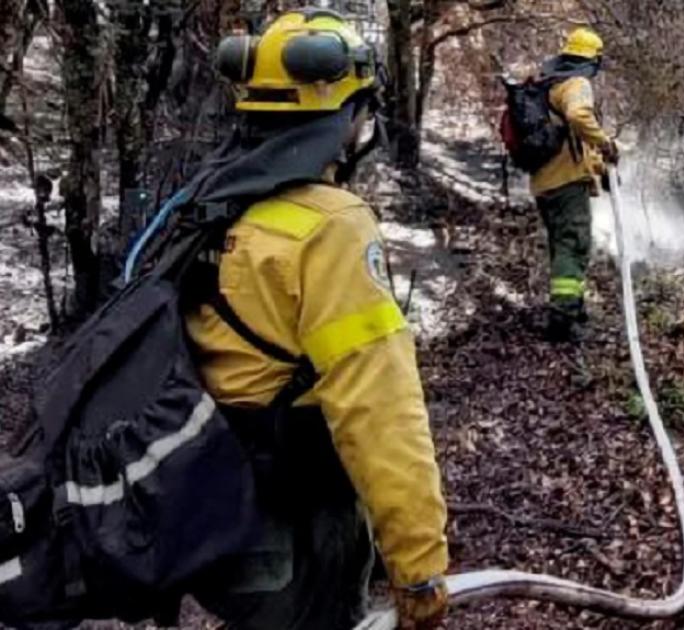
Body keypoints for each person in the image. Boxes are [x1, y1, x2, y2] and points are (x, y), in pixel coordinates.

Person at [184, 9, 448, 629]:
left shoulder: (210, 198)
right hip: (293, 534)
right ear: (350, 117)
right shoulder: (330, 226)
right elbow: (378, 409)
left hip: (214, 519)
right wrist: (419, 567)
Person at [530, 27, 619, 341]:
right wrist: (605, 142)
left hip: (545, 183)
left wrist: (599, 168)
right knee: (574, 245)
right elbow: (579, 117)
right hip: (566, 184)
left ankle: (571, 308)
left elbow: (572, 145)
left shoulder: (549, 83)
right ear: (592, 60)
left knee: (562, 245)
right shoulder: (576, 83)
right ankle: (563, 321)